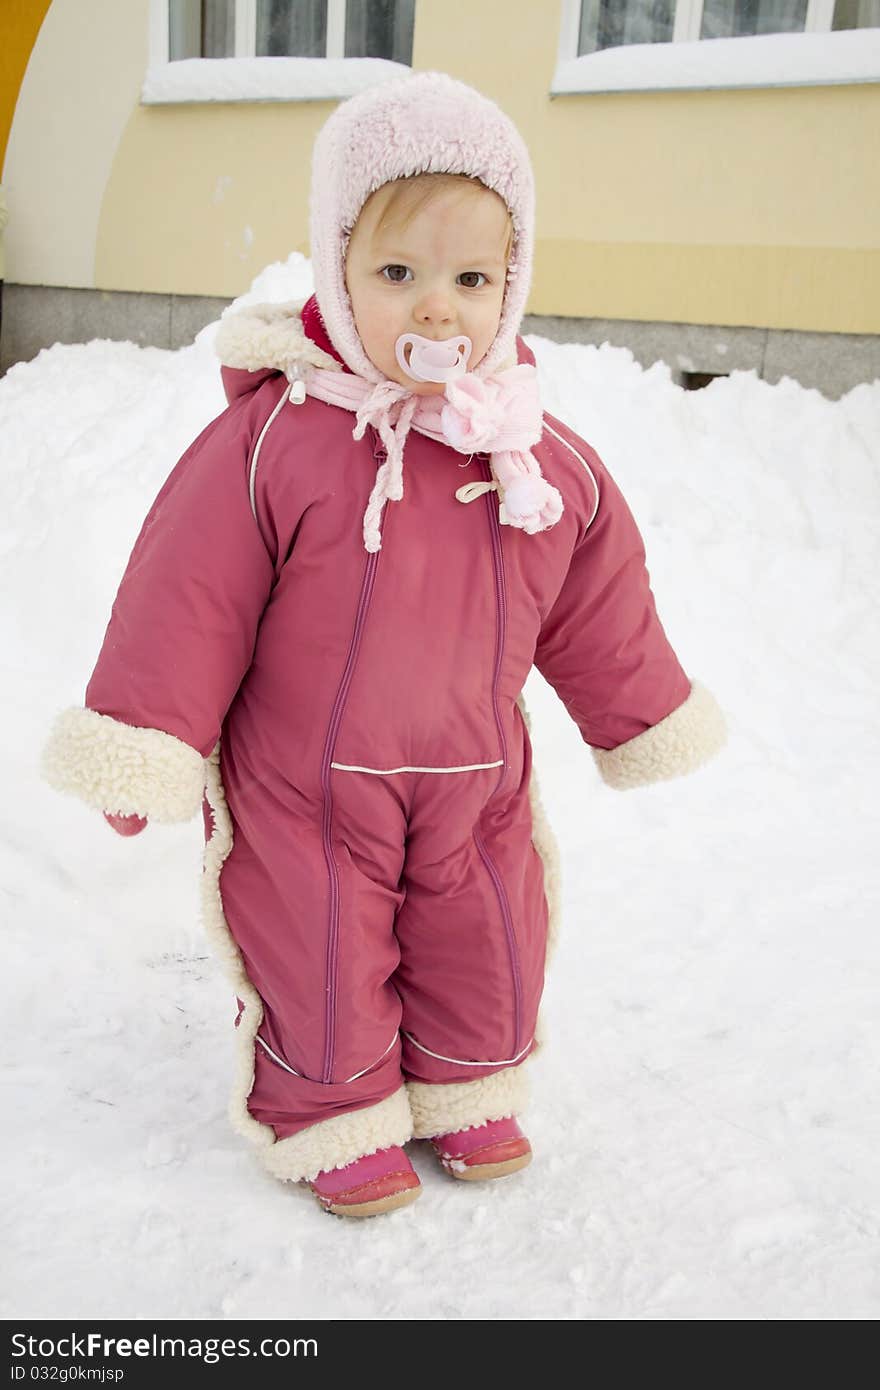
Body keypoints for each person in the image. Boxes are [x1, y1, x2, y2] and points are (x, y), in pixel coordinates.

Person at [41, 71, 727, 1219]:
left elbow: (597, 592)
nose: (436, 310)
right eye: (397, 274)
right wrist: (145, 741)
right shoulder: (277, 440)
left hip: (475, 775)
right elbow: (187, 590)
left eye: (470, 280)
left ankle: (468, 1083)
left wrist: (643, 715)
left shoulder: (536, 458)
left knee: (492, 929)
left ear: (509, 288)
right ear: (336, 268)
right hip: (304, 780)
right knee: (313, 941)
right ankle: (328, 1104)